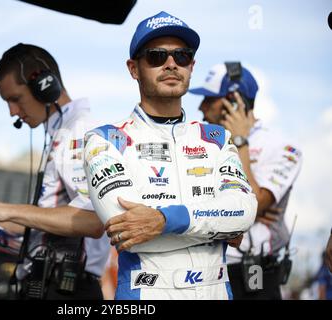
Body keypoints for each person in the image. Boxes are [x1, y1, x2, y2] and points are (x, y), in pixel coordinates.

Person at [83, 11, 257, 300]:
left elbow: (244, 212)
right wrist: (217, 225)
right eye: (156, 56)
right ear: (134, 69)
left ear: (191, 65)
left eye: (182, 55)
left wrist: (163, 220)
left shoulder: (217, 138)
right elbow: (130, 234)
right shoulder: (105, 140)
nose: (171, 64)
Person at [0, 43, 109, 299]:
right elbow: (49, 223)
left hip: (65, 288)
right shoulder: (61, 130)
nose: (12, 112)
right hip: (52, 284)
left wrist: (6, 209)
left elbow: (93, 220)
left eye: (15, 99)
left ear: (44, 84)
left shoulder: (78, 131)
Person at [190, 63, 303, 299]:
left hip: (255, 271)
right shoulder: (201, 143)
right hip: (207, 269)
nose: (201, 106)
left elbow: (252, 206)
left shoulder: (283, 148)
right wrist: (234, 209)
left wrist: (240, 141)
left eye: (209, 99)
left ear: (234, 101)